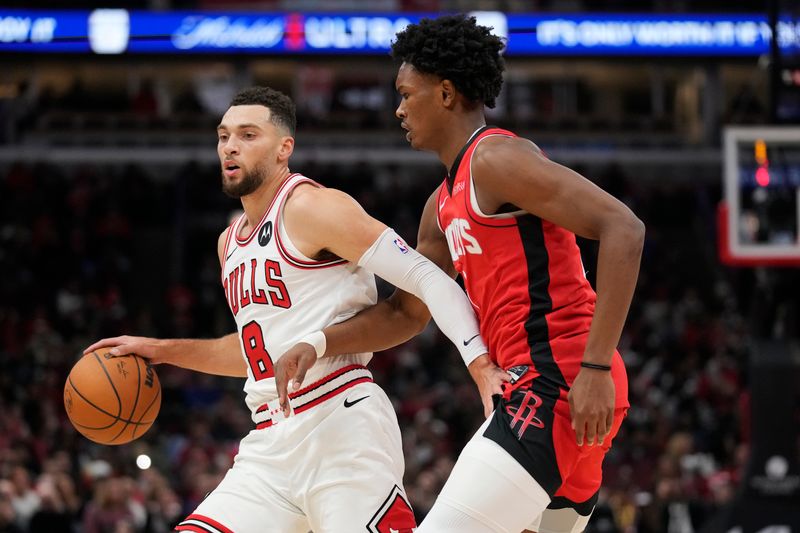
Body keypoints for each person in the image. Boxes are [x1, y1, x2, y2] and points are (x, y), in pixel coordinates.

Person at [274, 14, 645, 533]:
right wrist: (317, 341)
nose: (398, 108)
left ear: (446, 93)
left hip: (562, 379)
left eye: (407, 93)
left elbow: (623, 229)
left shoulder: (497, 158)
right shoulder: (441, 204)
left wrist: (597, 367)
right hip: (537, 387)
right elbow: (406, 312)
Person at [85, 86, 500, 533]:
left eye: (247, 135)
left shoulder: (313, 207)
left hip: (340, 423)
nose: (230, 147)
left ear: (285, 148)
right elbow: (255, 353)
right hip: (269, 441)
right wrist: (161, 350)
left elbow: (426, 277)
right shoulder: (229, 244)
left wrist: (479, 365)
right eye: (223, 136)